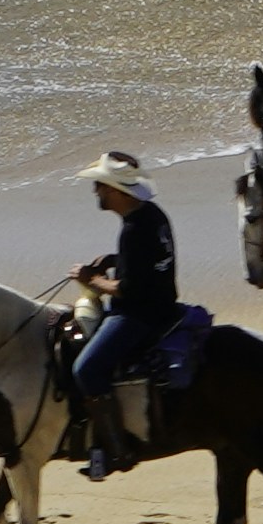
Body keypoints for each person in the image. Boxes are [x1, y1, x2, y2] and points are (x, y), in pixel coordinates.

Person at [61, 150, 186, 415]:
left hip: (139, 315)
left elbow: (129, 289)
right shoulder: (152, 214)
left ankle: (114, 450)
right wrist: (112, 260)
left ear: (116, 191)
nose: (96, 191)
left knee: (86, 369)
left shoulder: (133, 231)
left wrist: (91, 279)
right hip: (164, 303)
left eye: (100, 186)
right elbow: (149, 261)